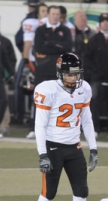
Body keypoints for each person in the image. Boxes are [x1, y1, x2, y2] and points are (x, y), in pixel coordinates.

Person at [34, 52, 98, 201]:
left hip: (74, 147)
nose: (74, 78)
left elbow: (87, 120)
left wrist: (93, 148)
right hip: (53, 147)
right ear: (60, 74)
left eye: (76, 74)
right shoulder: (48, 90)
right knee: (49, 193)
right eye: (70, 74)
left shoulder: (84, 89)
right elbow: (39, 125)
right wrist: (42, 154)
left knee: (81, 192)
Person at [28, 5, 72, 139]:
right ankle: (35, 128)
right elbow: (39, 47)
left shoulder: (65, 30)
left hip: (59, 72)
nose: (55, 16)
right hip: (42, 70)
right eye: (53, 14)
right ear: (47, 14)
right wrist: (57, 46)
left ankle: (57, 129)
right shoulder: (40, 30)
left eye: (57, 14)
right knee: (40, 100)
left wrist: (50, 45)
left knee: (60, 100)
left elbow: (68, 47)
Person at [84, 13, 108, 138]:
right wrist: (94, 71)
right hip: (97, 78)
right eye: (103, 21)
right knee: (95, 104)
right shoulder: (94, 39)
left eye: (107, 21)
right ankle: (95, 129)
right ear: (99, 24)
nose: (105, 23)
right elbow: (87, 58)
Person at [21, 2, 48, 139]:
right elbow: (27, 44)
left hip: (48, 65)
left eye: (46, 11)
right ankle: (34, 127)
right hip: (35, 63)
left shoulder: (52, 27)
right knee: (36, 97)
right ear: (37, 13)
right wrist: (26, 63)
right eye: (43, 11)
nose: (45, 13)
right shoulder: (32, 23)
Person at [73, 10, 95, 83]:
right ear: (75, 20)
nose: (83, 18)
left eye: (84, 16)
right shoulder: (71, 33)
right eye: (80, 16)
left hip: (91, 69)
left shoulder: (93, 33)